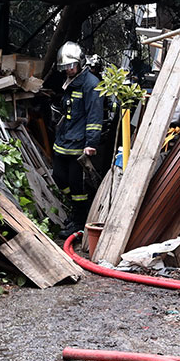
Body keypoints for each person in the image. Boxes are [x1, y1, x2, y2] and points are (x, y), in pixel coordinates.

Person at [51, 41, 103, 237]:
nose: (69, 70)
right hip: (63, 141)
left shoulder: (91, 84)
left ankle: (79, 221)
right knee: (58, 177)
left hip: (79, 145)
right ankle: (75, 212)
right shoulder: (69, 82)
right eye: (65, 67)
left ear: (80, 63)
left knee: (77, 186)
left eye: (71, 66)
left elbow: (94, 117)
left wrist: (91, 143)